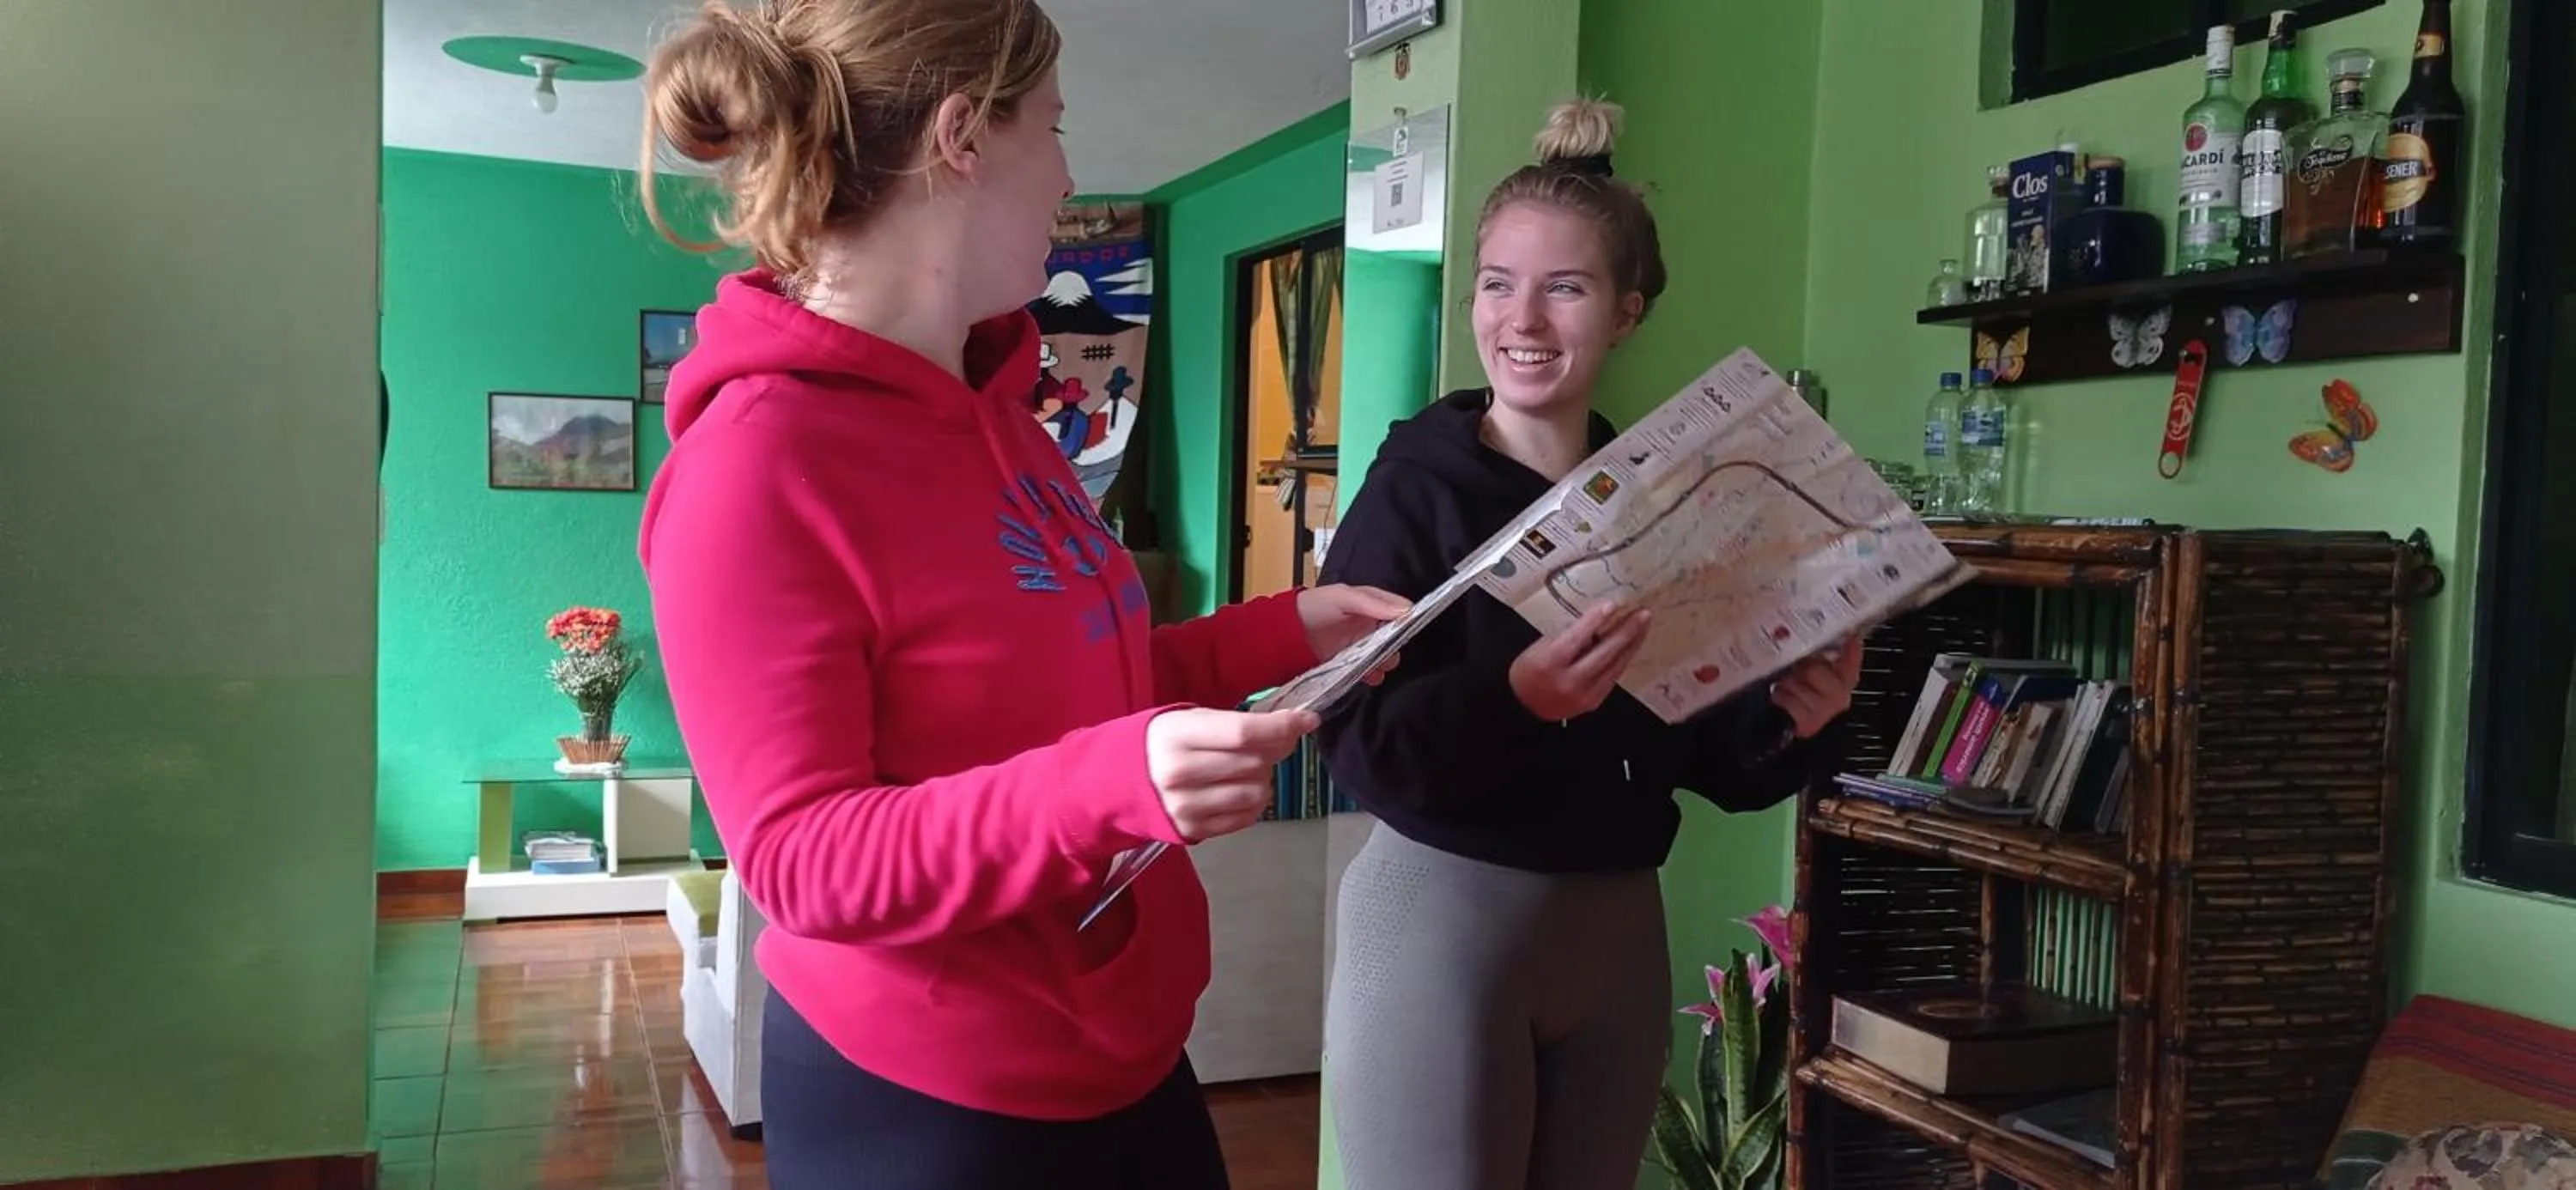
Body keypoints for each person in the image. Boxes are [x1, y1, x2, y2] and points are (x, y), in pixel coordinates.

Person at [629, 2, 1407, 1186]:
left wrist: (1285, 627)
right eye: (1053, 125)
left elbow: (1066, 690)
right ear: (962, 138)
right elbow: (800, 857)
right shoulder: (756, 462)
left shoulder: (1004, 408)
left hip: (1126, 1050)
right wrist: (1114, 783)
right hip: (931, 1099)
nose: (1068, 171)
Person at [1315, 97, 1866, 1190]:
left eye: (1564, 287)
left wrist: (1789, 723)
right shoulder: (1415, 489)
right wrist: (1517, 700)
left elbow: (1701, 752)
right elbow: (1351, 737)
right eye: (1497, 283)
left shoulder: (1666, 499)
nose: (1523, 318)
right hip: (1443, 919)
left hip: (1617, 930)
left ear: (1627, 311)